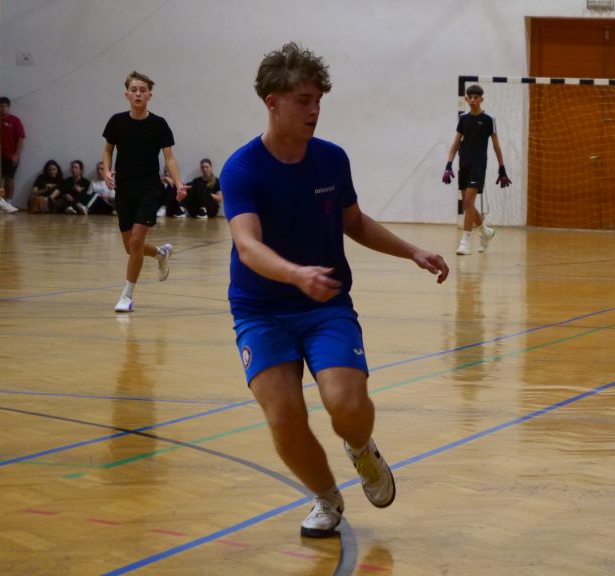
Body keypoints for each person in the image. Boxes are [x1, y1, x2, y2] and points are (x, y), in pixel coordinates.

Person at [220, 42, 449, 539]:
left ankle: (361, 450)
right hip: (261, 311)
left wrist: (412, 251)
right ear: (272, 102)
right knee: (284, 417)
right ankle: (326, 496)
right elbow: (247, 245)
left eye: (318, 100)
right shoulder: (242, 169)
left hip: (326, 306)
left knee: (346, 404)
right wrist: (295, 273)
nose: (314, 110)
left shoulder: (331, 160)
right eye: (303, 100)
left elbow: (355, 223)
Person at [102, 71, 189, 313]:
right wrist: (106, 171)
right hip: (124, 190)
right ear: (127, 94)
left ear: (150, 95)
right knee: (131, 247)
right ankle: (160, 253)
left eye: (143, 90)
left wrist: (179, 183)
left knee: (136, 240)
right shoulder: (116, 122)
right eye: (134, 90)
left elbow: (169, 158)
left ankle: (127, 296)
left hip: (150, 189)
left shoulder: (159, 124)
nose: (138, 93)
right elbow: (108, 150)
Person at [442, 84, 511, 255]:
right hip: (464, 164)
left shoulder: (488, 119)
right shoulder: (463, 119)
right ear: (466, 99)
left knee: (468, 202)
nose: (473, 100)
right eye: (470, 97)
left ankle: (465, 242)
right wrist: (448, 165)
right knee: (468, 205)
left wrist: (502, 168)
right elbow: (455, 144)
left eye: (476, 97)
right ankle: (485, 231)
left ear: (481, 99)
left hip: (479, 165)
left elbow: (496, 146)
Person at [0, 96, 25, 199]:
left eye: (6, 106)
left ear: (9, 107)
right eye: (1, 106)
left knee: (9, 179)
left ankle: (8, 202)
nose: (3, 108)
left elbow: (21, 137)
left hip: (10, 156)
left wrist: (16, 154)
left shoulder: (15, 120)